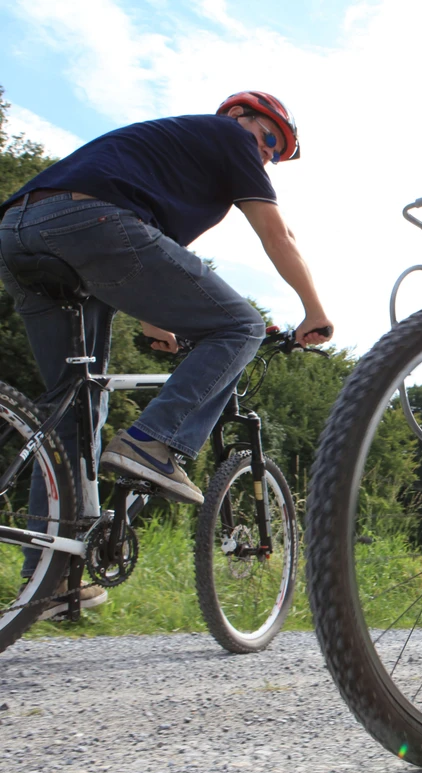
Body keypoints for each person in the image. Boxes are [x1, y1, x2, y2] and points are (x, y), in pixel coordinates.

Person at [0, 91, 334, 619]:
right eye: (269, 138)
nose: (268, 154)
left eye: (277, 150)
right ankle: (153, 443)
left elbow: (147, 252)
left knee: (73, 413)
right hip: (89, 226)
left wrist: (155, 319)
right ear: (238, 117)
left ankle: (50, 580)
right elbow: (277, 232)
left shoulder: (173, 159)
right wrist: (314, 310)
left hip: (20, 233)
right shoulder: (226, 138)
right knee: (240, 325)